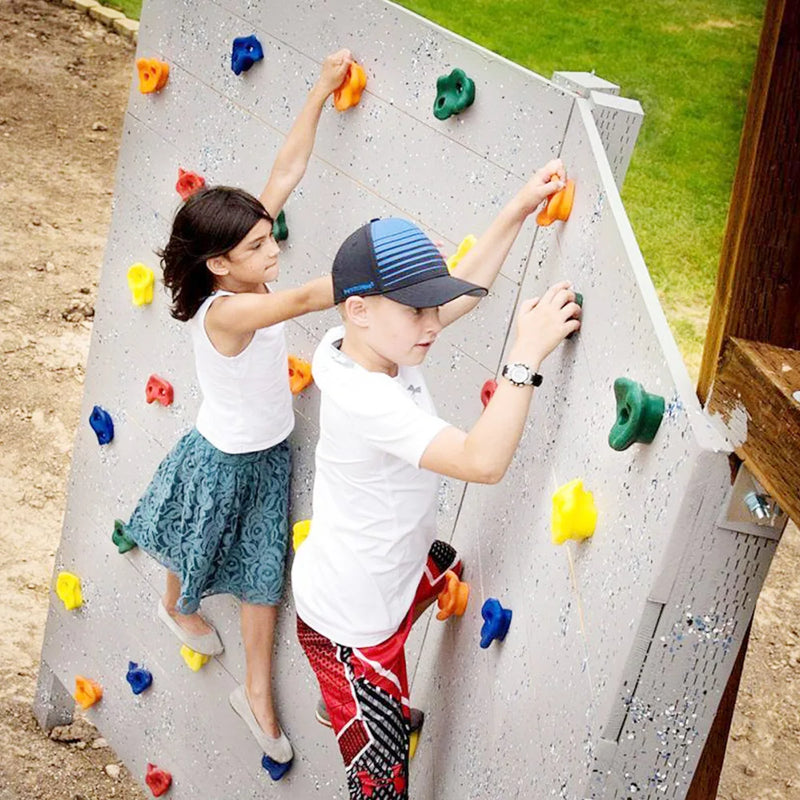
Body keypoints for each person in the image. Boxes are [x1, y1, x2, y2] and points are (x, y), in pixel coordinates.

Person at [291, 158, 580, 798]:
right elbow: (483, 462)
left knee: (445, 561)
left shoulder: (356, 340)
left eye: (433, 306)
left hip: (364, 573)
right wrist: (525, 358)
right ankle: (352, 705)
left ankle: (344, 705)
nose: (434, 322)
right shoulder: (371, 399)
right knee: (383, 788)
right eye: (418, 310)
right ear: (361, 308)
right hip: (354, 634)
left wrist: (518, 207)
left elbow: (456, 293)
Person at [121, 49, 353, 769]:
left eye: (267, 233)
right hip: (224, 456)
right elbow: (309, 297)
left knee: (261, 575)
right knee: (193, 543)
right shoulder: (227, 312)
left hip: (268, 451)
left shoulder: (240, 253)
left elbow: (283, 173)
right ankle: (175, 605)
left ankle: (255, 693)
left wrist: (317, 90)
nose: (271, 244)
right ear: (222, 263)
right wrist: (388, 260)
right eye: (258, 244)